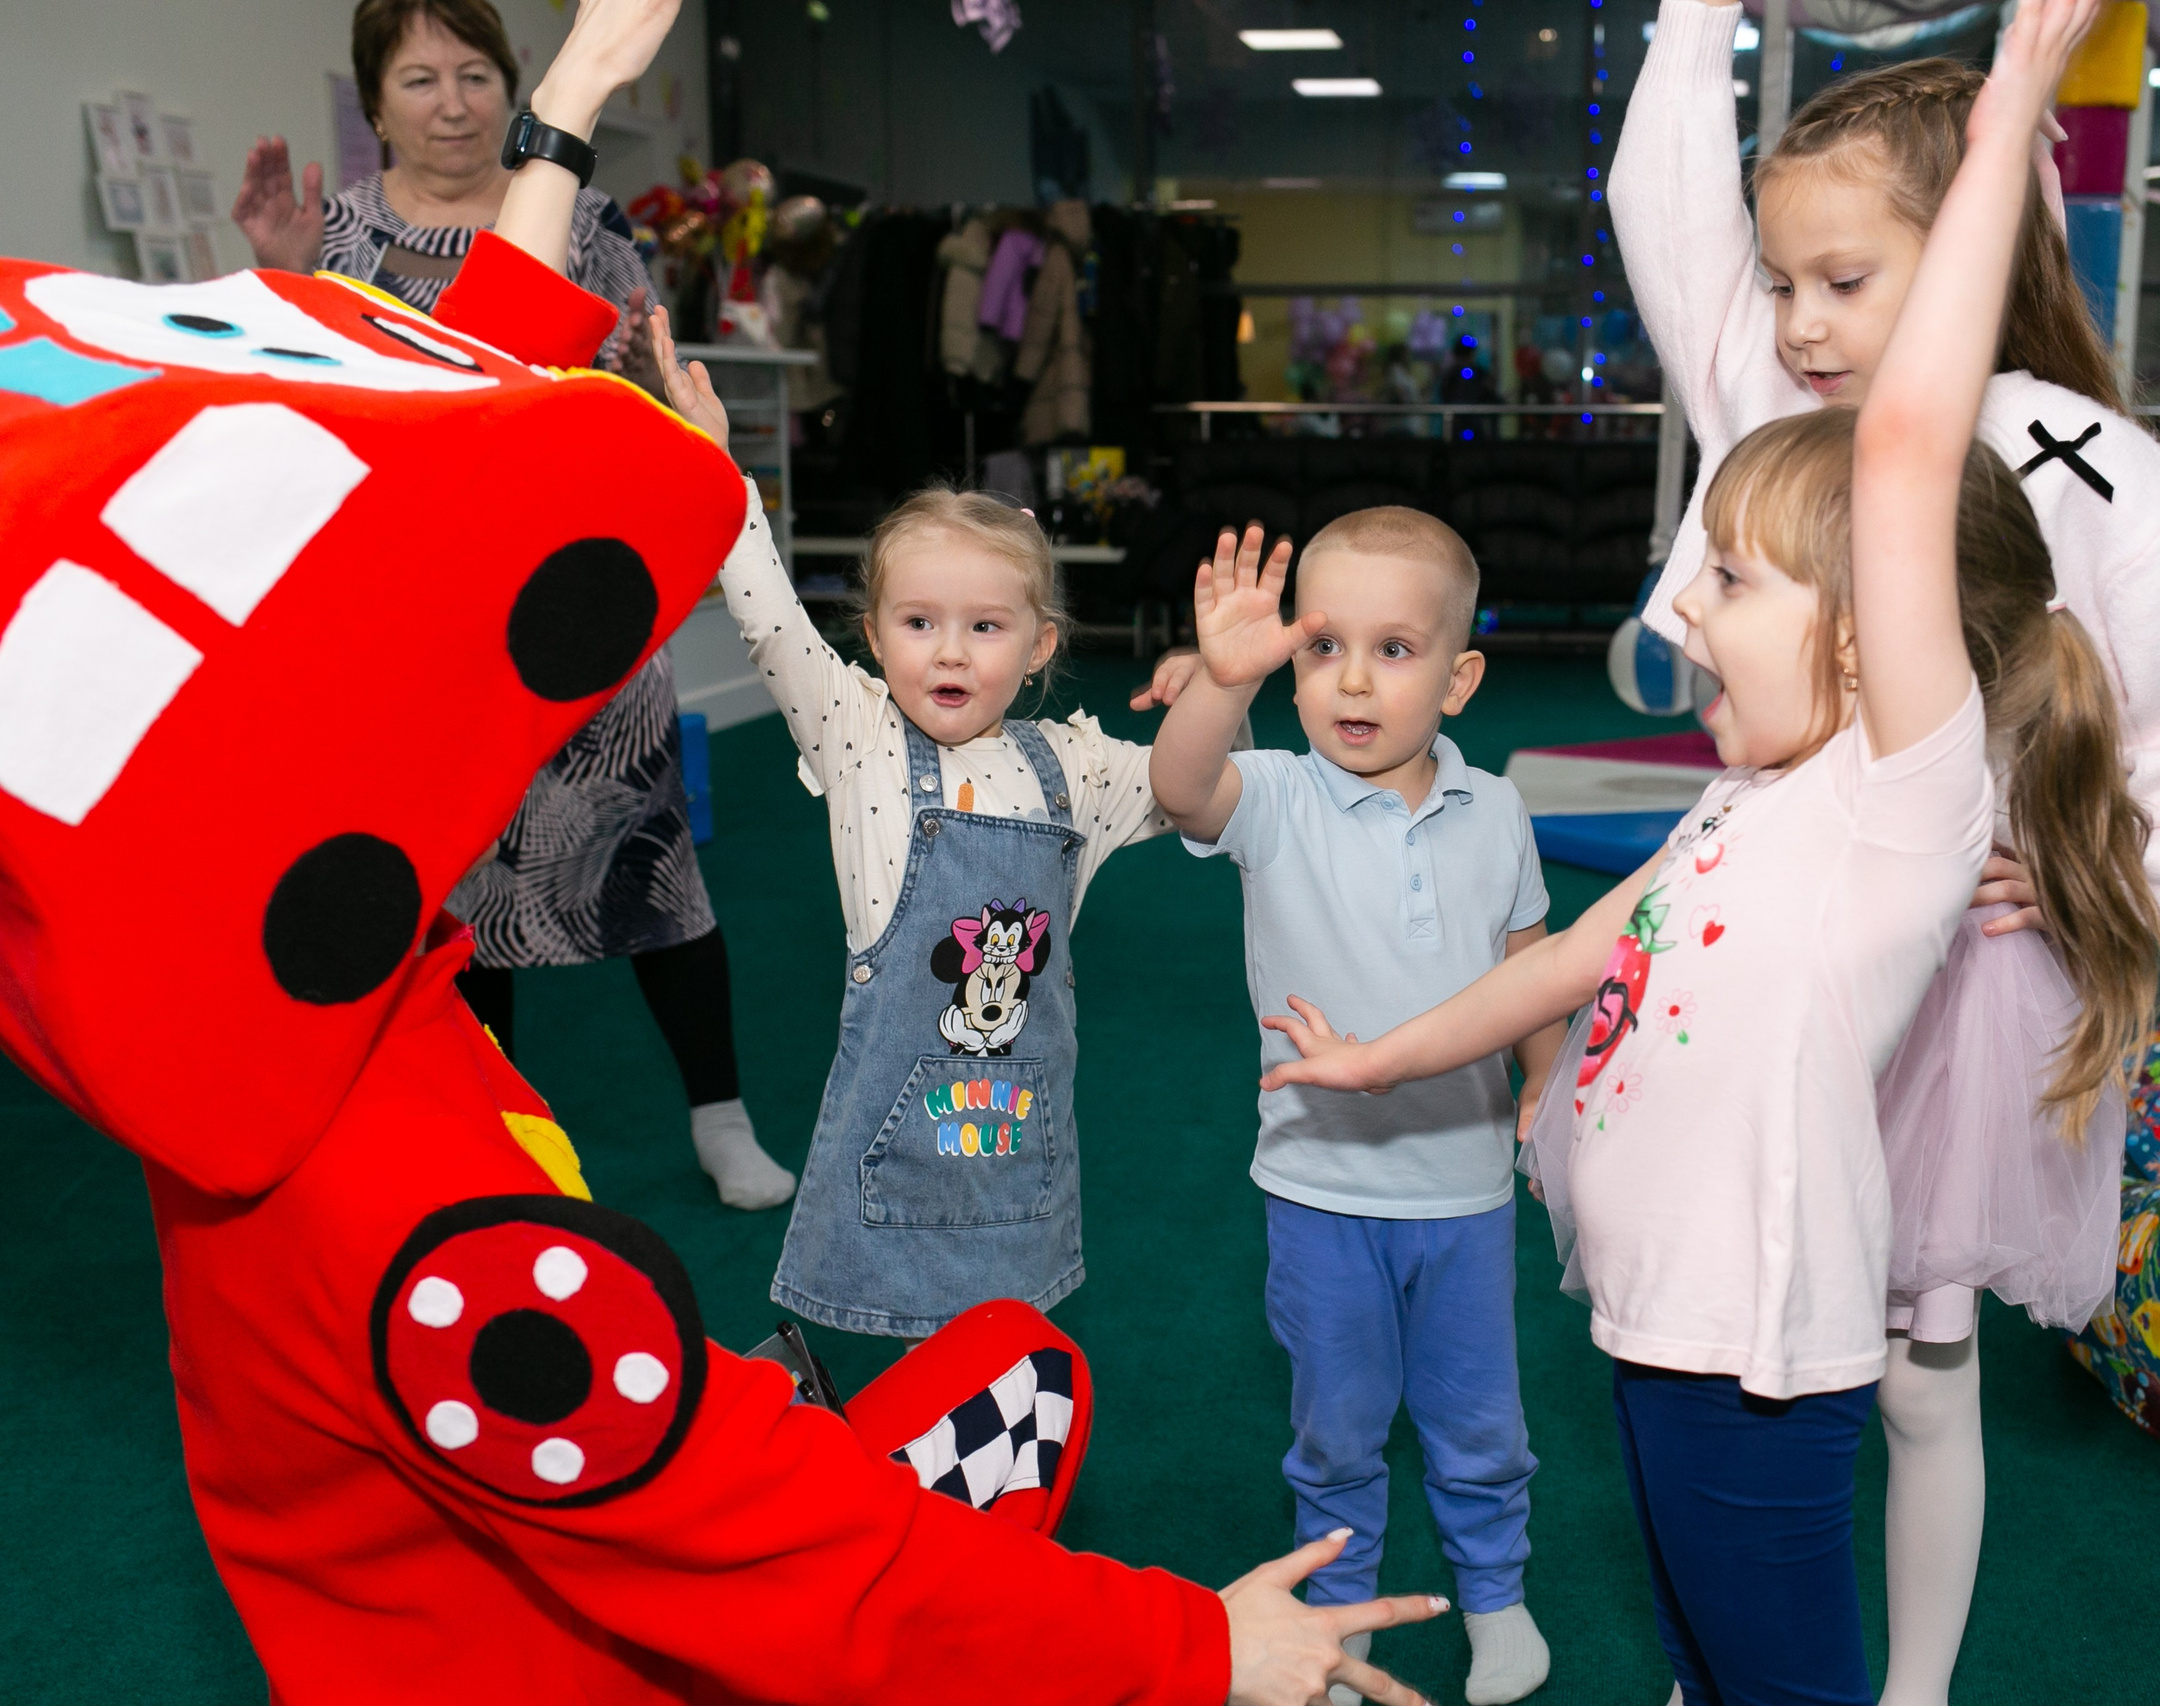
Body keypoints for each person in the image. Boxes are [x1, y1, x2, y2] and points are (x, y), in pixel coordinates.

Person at [0, 0, 1456, 1693]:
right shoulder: (435, 1243)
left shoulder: (223, 1010)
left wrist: (569, 105)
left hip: (718, 1389)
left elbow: (439, 465)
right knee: (953, 1442)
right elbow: (784, 1559)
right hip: (630, 1638)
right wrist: (1195, 1642)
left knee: (1011, 1363)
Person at [1256, 2, 2138, 1698]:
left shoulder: (1893, 806)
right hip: (1654, 1334)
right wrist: (1382, 1057)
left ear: (1870, 637)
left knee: (1777, 1674)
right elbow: (1572, 960)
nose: (1689, 608)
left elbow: (1905, 447)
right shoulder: (1746, 805)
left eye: (1732, 581)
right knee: (1703, 1655)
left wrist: (2015, 95)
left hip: (1758, 1365)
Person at [1608, 7, 2160, 1698]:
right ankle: (1729, 1637)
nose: (1800, 321)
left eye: (1846, 280)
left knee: (1920, 1379)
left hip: (1941, 995)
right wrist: (1694, 22)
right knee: (1731, 1327)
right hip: (1773, 959)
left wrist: (2090, 872)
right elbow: (1662, 213)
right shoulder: (1771, 395)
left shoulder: (2069, 453)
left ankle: (1908, 1686)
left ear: (1975, 246)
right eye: (1784, 282)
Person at [232, 0, 793, 1212]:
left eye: (474, 74)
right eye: (419, 79)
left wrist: (646, 396)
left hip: (576, 601)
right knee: (458, 895)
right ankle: (499, 1146)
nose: (452, 104)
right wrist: (281, 275)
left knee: (654, 862)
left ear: (511, 85)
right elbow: (305, 422)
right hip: (427, 620)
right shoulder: (335, 236)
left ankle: (723, 1120)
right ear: (375, 106)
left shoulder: (584, 217)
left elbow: (646, 391)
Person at [662, 304, 1205, 1339]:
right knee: (897, 1382)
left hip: (1016, 1155)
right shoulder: (856, 733)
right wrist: (719, 470)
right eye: (919, 622)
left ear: (1039, 646)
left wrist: (1214, 688)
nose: (950, 651)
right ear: (873, 636)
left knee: (1002, 1357)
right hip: (893, 1151)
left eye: (985, 626)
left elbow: (1190, 789)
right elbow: (768, 616)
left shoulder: (1073, 766)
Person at [1148, 512, 1563, 1706]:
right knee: (1336, 1428)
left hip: (1464, 1189)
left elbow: (1529, 958)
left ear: (1458, 679)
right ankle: (1337, 1615)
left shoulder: (1497, 809)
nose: (1353, 681)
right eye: (1324, 647)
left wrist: (1544, 1078)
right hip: (1319, 1189)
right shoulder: (1278, 795)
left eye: (1394, 649)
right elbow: (1181, 787)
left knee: (1480, 1418)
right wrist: (1223, 682)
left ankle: (1495, 1593)